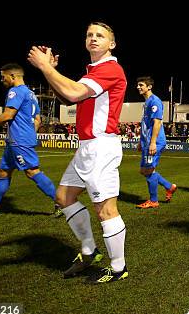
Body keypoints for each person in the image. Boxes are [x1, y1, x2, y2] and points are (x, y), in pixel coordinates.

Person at [27, 22, 128, 284]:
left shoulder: (110, 69)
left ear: (112, 44)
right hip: (87, 147)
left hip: (101, 147)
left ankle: (118, 268)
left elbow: (72, 93)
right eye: (89, 34)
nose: (93, 38)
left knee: (105, 209)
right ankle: (88, 251)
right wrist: (53, 71)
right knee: (64, 196)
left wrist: (45, 67)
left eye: (100, 36)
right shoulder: (92, 71)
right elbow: (66, 96)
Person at [0, 63, 58, 221]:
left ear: (13, 76)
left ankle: (62, 202)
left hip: (19, 140)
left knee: (32, 171)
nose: (2, 80)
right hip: (17, 140)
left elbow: (8, 115)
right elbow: (37, 119)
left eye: (3, 76)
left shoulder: (15, 91)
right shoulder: (30, 94)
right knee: (3, 173)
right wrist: (28, 133)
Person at [135, 76, 177, 209]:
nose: (138, 87)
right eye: (138, 85)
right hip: (147, 142)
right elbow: (146, 125)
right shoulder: (147, 102)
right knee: (144, 170)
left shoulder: (155, 101)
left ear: (149, 87)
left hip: (156, 142)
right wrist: (142, 141)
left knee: (148, 170)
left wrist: (153, 142)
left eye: (141, 85)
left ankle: (154, 201)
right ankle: (169, 187)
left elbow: (157, 122)